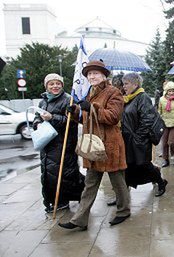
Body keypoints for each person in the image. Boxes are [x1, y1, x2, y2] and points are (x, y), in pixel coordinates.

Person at [59, 60, 131, 230]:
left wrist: (92, 107)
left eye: (96, 73)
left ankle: (123, 211)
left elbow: (113, 117)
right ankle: (80, 219)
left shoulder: (114, 92)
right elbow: (86, 119)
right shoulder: (89, 92)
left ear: (104, 75)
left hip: (110, 145)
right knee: (90, 185)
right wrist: (76, 112)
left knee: (118, 183)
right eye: (89, 74)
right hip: (92, 145)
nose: (92, 76)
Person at [33, 73, 84, 213]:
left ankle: (62, 200)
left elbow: (72, 122)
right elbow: (37, 117)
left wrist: (52, 118)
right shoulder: (43, 101)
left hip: (64, 143)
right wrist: (37, 124)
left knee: (63, 174)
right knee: (48, 173)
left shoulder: (68, 99)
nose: (55, 86)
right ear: (46, 86)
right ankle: (52, 200)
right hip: (47, 143)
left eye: (58, 83)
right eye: (51, 84)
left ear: (62, 85)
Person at [120, 72, 168, 196]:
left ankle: (160, 181)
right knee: (128, 167)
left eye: (126, 84)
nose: (123, 86)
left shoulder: (142, 97)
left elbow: (147, 119)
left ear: (135, 84)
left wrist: (138, 137)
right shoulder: (127, 99)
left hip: (139, 140)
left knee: (144, 165)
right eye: (123, 83)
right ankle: (123, 195)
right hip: (127, 140)